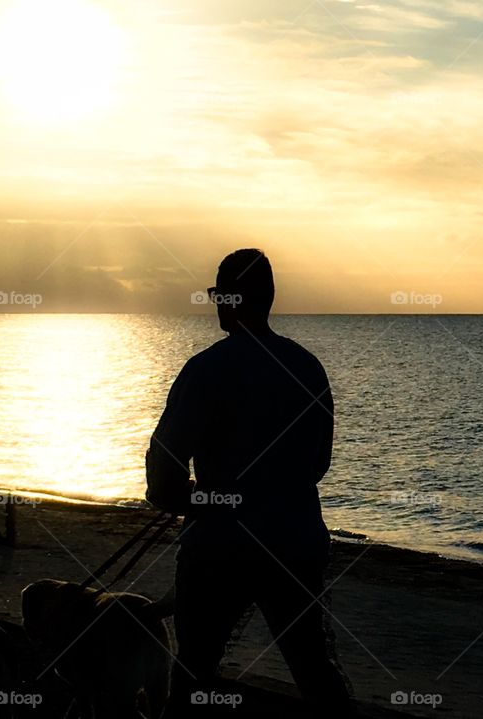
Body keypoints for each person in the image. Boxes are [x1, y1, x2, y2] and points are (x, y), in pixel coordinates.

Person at [145, 249, 351, 716]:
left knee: (195, 670)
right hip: (296, 543)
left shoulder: (206, 369)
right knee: (315, 669)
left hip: (221, 547)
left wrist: (195, 498)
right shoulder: (307, 368)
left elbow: (165, 471)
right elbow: (319, 463)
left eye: (221, 294)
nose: (217, 304)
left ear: (233, 299)